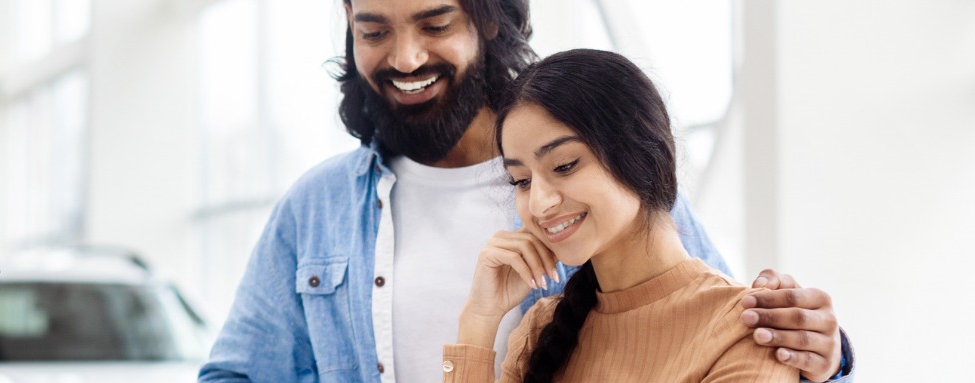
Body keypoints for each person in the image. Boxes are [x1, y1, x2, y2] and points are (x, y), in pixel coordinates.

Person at [197, 0, 853, 382]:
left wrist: (826, 351)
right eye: (373, 31)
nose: (403, 58)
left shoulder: (616, 186)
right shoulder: (316, 208)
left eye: (433, 23)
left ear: (486, 19)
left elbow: (712, 321)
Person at [445, 48, 796, 382]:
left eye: (564, 165)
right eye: (521, 180)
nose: (538, 204)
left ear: (641, 155)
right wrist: (478, 319)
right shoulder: (542, 329)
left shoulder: (748, 330)